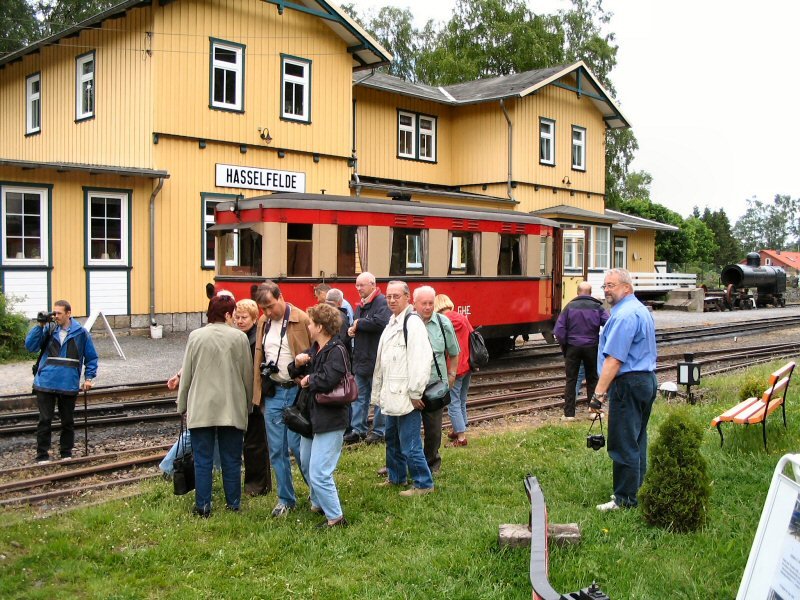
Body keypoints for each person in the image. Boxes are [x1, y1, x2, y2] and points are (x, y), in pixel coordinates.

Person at [177, 295, 253, 517]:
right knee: (231, 458)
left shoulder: (195, 337)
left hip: (202, 407)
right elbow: (247, 375)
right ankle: (233, 503)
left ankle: (203, 506)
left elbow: (187, 374)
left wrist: (182, 404)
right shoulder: (239, 338)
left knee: (203, 459)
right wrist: (248, 405)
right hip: (232, 407)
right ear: (228, 314)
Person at [591, 268, 658, 512]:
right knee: (638, 438)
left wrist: (598, 395)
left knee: (623, 442)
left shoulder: (624, 316)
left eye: (612, 285)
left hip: (628, 383)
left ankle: (624, 499)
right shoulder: (640, 310)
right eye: (605, 286)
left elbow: (615, 360)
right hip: (646, 379)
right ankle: (636, 489)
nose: (607, 290)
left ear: (627, 288)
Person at [252, 280, 313, 518]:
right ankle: (286, 498)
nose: (267, 312)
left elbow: (315, 352)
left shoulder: (301, 319)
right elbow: (259, 355)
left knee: (299, 448)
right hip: (274, 391)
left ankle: (316, 491)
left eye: (270, 306)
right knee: (277, 450)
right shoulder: (263, 323)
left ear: (280, 297)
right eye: (263, 309)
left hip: (297, 391)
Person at [290, 303, 350, 528]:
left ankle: (335, 517)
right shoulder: (315, 348)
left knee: (319, 471)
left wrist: (310, 380)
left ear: (322, 327)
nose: (308, 325)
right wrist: (297, 363)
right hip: (312, 416)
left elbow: (330, 378)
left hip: (330, 418)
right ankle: (317, 501)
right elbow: (291, 370)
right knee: (305, 463)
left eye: (312, 322)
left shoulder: (337, 349)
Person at [371, 280, 434, 496]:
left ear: (407, 298)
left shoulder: (412, 322)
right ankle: (396, 477)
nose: (391, 300)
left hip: (407, 396)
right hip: (392, 394)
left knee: (410, 443)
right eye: (388, 296)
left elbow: (421, 360)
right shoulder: (392, 322)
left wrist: (416, 393)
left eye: (396, 296)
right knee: (392, 439)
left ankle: (423, 483)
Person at [25, 300, 98, 463]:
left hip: (68, 383)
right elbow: (30, 347)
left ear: (68, 313)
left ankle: (66, 453)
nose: (55, 316)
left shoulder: (81, 333)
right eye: (54, 313)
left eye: (58, 313)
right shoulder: (49, 329)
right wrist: (39, 326)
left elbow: (91, 357)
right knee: (44, 420)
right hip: (45, 382)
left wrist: (89, 378)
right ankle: (42, 455)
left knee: (67, 421)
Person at [413, 286, 459, 473]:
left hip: (434, 385)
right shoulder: (408, 323)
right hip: (411, 385)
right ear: (414, 304)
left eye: (431, 303)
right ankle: (408, 463)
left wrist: (452, 375)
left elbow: (454, 352)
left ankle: (432, 462)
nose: (427, 307)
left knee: (433, 430)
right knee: (408, 429)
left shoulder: (443, 323)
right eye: (424, 303)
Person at [346, 272, 391, 445]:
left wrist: (359, 324)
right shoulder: (361, 306)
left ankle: (379, 431)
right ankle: (358, 429)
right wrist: (353, 329)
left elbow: (380, 322)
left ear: (372, 284)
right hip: (361, 360)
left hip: (375, 360)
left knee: (379, 398)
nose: (358, 289)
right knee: (358, 397)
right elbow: (361, 323)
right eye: (357, 285)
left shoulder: (382, 303)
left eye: (361, 285)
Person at [553, 282, 609, 420]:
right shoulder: (597, 307)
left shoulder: (569, 307)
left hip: (573, 347)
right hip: (591, 347)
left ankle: (569, 414)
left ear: (578, 292)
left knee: (571, 380)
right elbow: (610, 324)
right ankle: (594, 412)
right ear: (590, 293)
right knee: (593, 379)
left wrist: (565, 346)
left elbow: (559, 331)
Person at [235, 298, 271, 496]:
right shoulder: (243, 337)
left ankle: (257, 485)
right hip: (246, 395)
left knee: (255, 442)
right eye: (237, 317)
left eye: (244, 317)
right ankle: (257, 483)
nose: (240, 321)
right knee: (252, 441)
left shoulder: (254, 339)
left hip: (253, 397)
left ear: (254, 318)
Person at [434, 294, 472, 447]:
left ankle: (461, 437)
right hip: (468, 365)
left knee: (453, 402)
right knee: (462, 399)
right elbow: (472, 337)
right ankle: (460, 428)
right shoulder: (463, 318)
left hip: (454, 367)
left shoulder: (441, 322)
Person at [324, 289, 352, 358]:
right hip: (336, 357)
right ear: (339, 303)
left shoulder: (318, 313)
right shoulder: (341, 317)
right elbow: (343, 340)